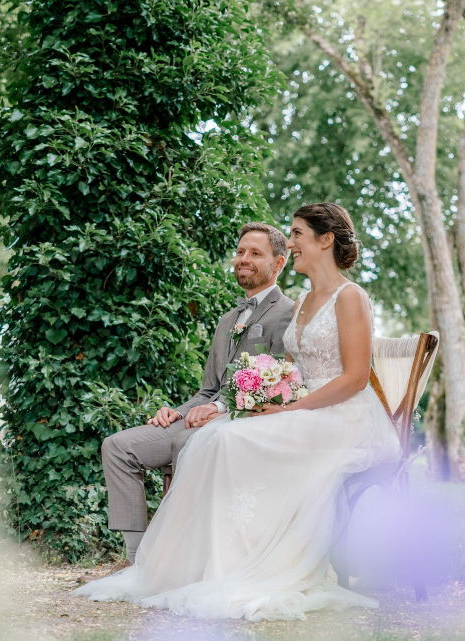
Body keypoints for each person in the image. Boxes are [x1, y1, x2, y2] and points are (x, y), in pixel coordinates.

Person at [74, 202, 401, 621]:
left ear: (325, 240)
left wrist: (290, 407)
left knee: (226, 437)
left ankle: (243, 564)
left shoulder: (351, 296)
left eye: (297, 234)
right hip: (302, 407)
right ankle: (202, 564)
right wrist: (273, 397)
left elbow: (355, 378)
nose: (292, 242)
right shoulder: (304, 301)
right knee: (219, 436)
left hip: (343, 415)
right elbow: (288, 371)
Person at [79, 223, 295, 583]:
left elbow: (277, 384)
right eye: (240, 251)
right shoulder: (228, 320)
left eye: (255, 253)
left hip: (246, 420)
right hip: (202, 416)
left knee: (185, 442)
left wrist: (219, 409)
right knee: (117, 446)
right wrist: (176, 412)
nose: (243, 259)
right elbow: (208, 388)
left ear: (279, 263)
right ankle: (136, 560)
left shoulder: (288, 313)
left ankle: (179, 559)